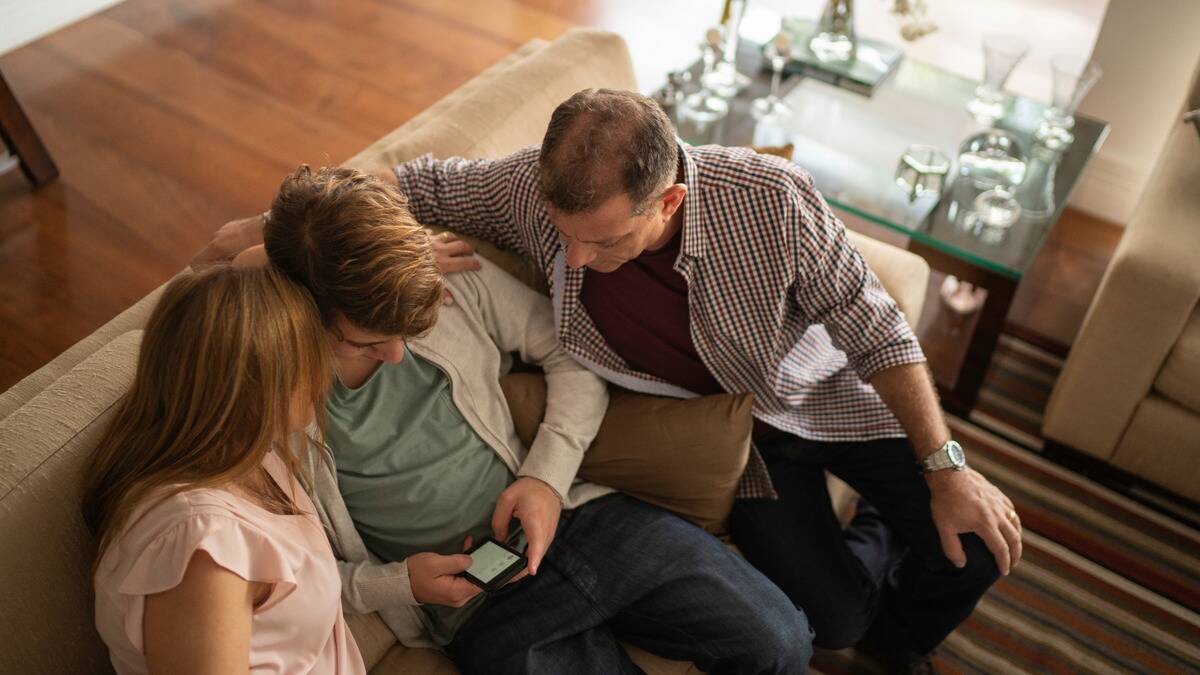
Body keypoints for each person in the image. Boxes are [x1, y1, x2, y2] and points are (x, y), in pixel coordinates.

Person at [197, 88, 1022, 669]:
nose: (574, 262)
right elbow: (379, 195)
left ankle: (904, 639)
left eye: (602, 242)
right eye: (563, 238)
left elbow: (873, 325)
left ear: (667, 201)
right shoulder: (527, 193)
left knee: (974, 543)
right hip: (734, 448)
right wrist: (284, 236)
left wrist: (941, 463)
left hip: (822, 399)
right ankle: (881, 563)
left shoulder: (771, 198)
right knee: (833, 621)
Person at [235, 165, 812, 674]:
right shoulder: (257, 390)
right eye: (364, 341)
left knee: (781, 641)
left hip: (580, 517)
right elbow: (271, 571)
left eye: (407, 333)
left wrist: (546, 479)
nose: (394, 355)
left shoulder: (446, 277)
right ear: (295, 307)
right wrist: (397, 583)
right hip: (478, 610)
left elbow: (571, 352)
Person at [81, 265, 364, 674]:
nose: (325, 377)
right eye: (309, 361)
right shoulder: (202, 548)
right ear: (258, 385)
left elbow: (251, 263)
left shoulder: (251, 451)